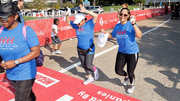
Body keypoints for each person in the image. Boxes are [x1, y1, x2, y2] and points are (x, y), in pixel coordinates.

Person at [0, 2, 40, 101]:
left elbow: (36, 52)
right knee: (27, 94)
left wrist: (15, 62)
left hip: (25, 71)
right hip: (11, 71)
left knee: (20, 98)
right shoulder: (1, 31)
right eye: (0, 17)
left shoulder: (26, 30)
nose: (2, 20)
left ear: (15, 16)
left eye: (5, 17)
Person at [101, 8, 142, 94]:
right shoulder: (117, 26)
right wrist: (105, 33)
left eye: (125, 15)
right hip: (121, 52)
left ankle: (132, 84)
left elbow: (139, 35)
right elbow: (113, 35)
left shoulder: (131, 25)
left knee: (131, 71)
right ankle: (126, 76)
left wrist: (134, 24)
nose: (122, 16)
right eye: (121, 14)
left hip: (132, 52)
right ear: (119, 15)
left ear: (128, 16)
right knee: (118, 71)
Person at [65, 4, 99, 85]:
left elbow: (96, 16)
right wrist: (67, 14)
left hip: (89, 49)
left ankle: (95, 70)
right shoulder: (76, 26)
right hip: (80, 49)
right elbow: (68, 22)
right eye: (77, 23)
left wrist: (86, 11)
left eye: (79, 22)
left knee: (88, 65)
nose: (78, 24)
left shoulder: (90, 24)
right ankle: (90, 78)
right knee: (84, 65)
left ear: (84, 20)